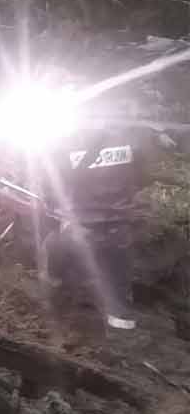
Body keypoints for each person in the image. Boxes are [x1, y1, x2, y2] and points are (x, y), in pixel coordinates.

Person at [38, 91, 155, 331]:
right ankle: (121, 323)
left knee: (55, 254)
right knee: (118, 282)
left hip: (79, 228)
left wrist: (55, 208)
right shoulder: (130, 139)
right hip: (119, 227)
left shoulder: (62, 143)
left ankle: (62, 307)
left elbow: (50, 186)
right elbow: (144, 176)